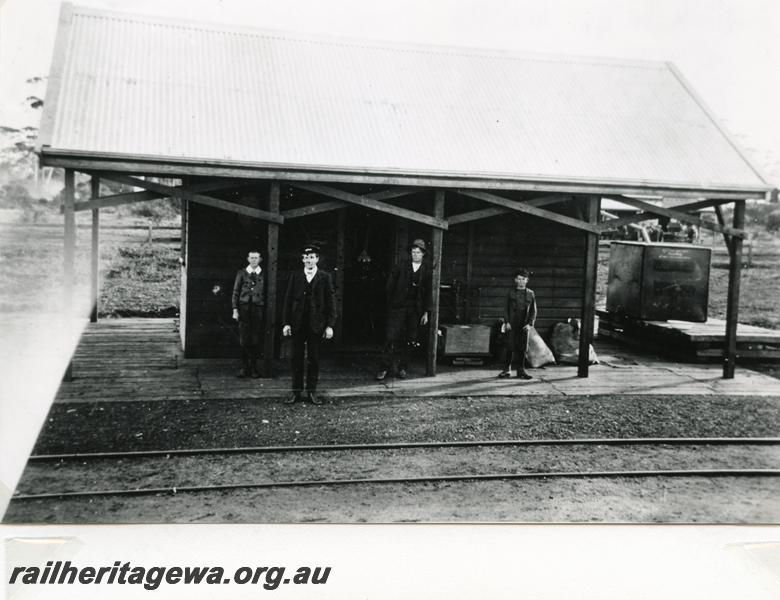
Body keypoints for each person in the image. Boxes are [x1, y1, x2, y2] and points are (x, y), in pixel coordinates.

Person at [282, 244, 337, 405]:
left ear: (317, 259)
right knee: (296, 358)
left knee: (314, 359)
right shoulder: (295, 276)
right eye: (306, 257)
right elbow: (287, 301)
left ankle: (312, 392)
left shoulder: (325, 277)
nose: (309, 260)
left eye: (312, 257)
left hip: (316, 325)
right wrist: (286, 323)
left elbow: (331, 303)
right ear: (302, 259)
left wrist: (330, 325)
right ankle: (296, 392)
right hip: (297, 324)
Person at [376, 239, 432, 380]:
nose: (415, 254)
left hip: (415, 309)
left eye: (418, 252)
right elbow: (390, 286)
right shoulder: (401, 266)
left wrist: (425, 312)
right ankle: (384, 368)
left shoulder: (426, 270)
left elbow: (428, 293)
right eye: (413, 252)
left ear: (423, 254)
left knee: (411, 339)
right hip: (398, 308)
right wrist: (393, 303)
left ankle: (403, 367)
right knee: (391, 337)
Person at [498, 268, 537, 380]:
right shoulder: (510, 293)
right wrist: (507, 322)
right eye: (518, 279)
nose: (521, 281)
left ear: (527, 280)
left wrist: (530, 324)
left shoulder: (530, 294)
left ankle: (521, 370)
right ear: (515, 280)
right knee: (510, 346)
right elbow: (505, 308)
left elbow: (534, 311)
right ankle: (507, 370)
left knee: (522, 347)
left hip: (524, 324)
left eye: (523, 279)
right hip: (512, 323)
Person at [232, 250, 265, 378]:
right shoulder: (242, 273)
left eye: (256, 258)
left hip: (257, 309)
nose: (254, 260)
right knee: (244, 339)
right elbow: (235, 292)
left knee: (255, 339)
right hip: (244, 308)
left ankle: (254, 368)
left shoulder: (263, 274)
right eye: (251, 258)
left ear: (260, 259)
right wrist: (235, 309)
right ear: (248, 259)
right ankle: (244, 367)